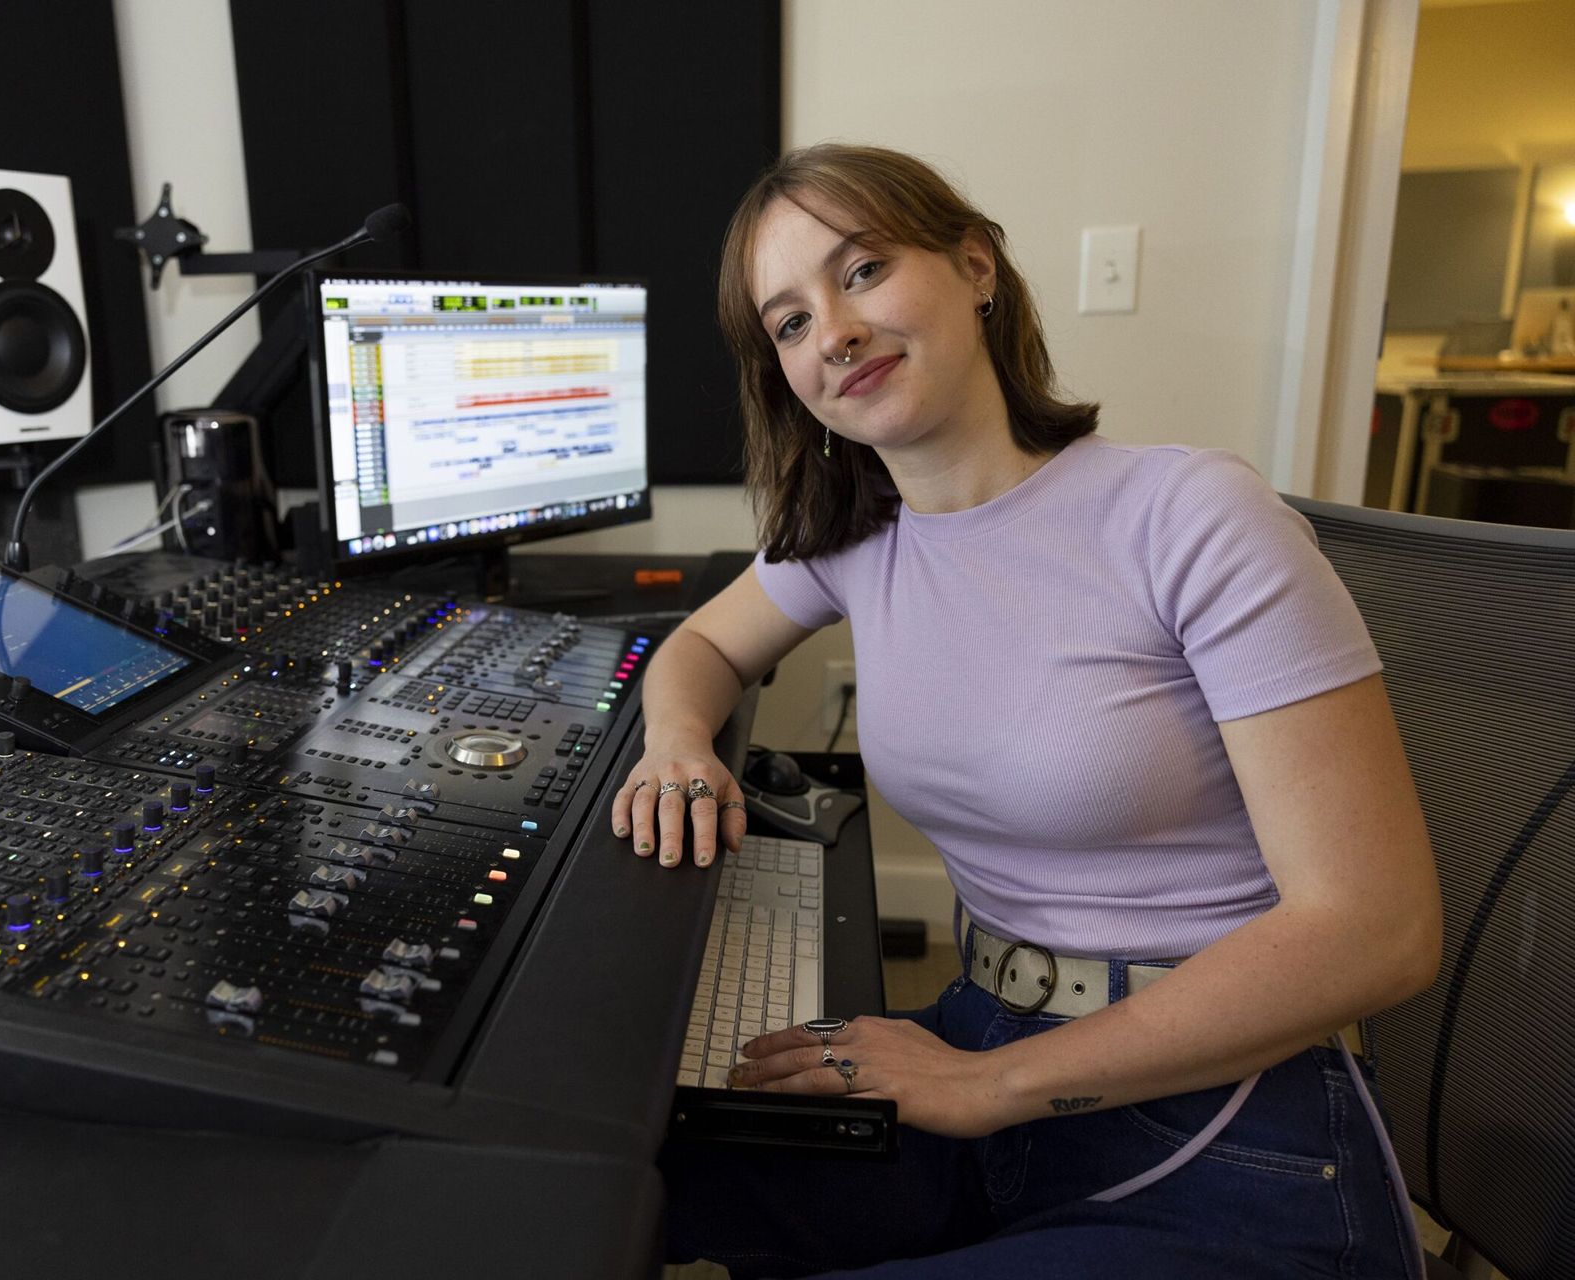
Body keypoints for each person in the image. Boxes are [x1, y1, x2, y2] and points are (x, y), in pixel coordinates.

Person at [613, 144, 1442, 1278]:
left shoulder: (1188, 514)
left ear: (975, 265)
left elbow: (1378, 929)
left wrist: (983, 1082)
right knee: (613, 1174)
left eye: (862, 272)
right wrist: (677, 744)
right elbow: (701, 644)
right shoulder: (858, 537)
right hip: (981, 1031)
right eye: (790, 321)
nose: (834, 332)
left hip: (1222, 1122)